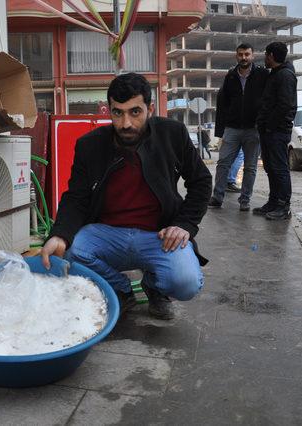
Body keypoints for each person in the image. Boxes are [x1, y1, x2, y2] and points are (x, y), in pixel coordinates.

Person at [40, 73, 212, 320]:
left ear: (150, 109)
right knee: (70, 251)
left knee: (186, 282)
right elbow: (76, 197)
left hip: (159, 235)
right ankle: (120, 289)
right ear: (108, 110)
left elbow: (201, 181)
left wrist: (184, 224)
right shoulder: (90, 145)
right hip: (108, 233)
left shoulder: (172, 134)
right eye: (117, 113)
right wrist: (59, 234)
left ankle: (153, 287)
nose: (125, 123)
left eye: (135, 112)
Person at [208, 43, 268, 211]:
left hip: (253, 129)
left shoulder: (262, 75)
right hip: (232, 128)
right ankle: (217, 197)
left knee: (250, 167)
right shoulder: (231, 76)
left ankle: (245, 200)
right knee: (223, 163)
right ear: (236, 56)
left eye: (247, 54)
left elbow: (269, 99)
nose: (243, 57)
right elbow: (223, 102)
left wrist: (262, 123)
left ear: (252, 55)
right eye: (240, 54)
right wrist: (221, 129)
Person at [255, 41, 297, 220]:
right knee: (271, 167)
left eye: (266, 55)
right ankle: (273, 202)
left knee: (280, 168)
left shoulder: (285, 75)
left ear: (271, 56)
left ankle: (283, 206)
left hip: (277, 131)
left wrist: (270, 125)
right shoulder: (275, 74)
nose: (264, 58)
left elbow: (285, 105)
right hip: (269, 130)